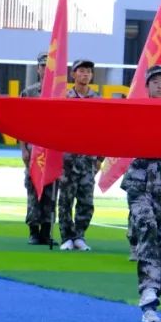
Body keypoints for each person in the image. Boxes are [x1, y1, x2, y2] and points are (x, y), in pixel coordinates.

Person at [123, 65, 161, 322]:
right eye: (155, 81)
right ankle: (147, 290)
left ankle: (152, 296)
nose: (160, 85)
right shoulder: (137, 110)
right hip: (139, 179)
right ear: (147, 86)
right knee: (146, 225)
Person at [58, 59, 101, 251]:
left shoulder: (97, 100)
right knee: (65, 200)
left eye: (88, 71)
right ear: (73, 74)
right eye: (81, 71)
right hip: (67, 159)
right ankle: (66, 236)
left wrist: (100, 157)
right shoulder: (64, 98)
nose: (85, 74)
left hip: (88, 159)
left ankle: (79, 236)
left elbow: (104, 130)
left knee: (86, 200)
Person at [20, 52, 55, 246]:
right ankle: (33, 230)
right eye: (43, 66)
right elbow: (21, 123)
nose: (46, 69)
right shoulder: (29, 92)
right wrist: (23, 149)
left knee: (52, 191)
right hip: (34, 150)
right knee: (33, 190)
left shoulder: (61, 93)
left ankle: (47, 231)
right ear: (38, 69)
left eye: (49, 66)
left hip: (53, 150)